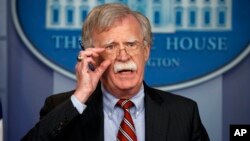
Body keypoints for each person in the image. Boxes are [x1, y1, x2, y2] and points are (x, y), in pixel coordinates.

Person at [22, 3, 209, 141]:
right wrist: (81, 96)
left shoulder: (184, 112)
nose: (123, 56)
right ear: (92, 57)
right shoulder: (62, 107)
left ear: (146, 51)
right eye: (111, 46)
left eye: (131, 44)